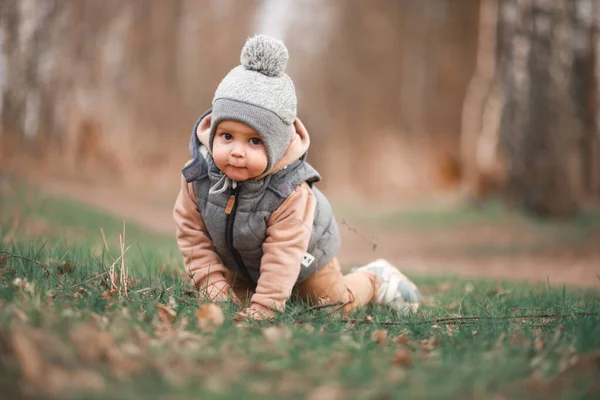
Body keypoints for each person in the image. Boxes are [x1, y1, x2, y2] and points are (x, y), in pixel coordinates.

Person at [173, 35, 420, 320]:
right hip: (241, 263)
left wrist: (265, 308)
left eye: (254, 141)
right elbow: (192, 234)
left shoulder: (289, 191)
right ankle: (252, 290)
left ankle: (376, 279)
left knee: (330, 305)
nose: (237, 152)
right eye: (227, 136)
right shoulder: (198, 175)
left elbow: (283, 255)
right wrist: (212, 285)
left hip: (304, 260)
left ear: (276, 147)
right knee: (228, 304)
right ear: (214, 132)